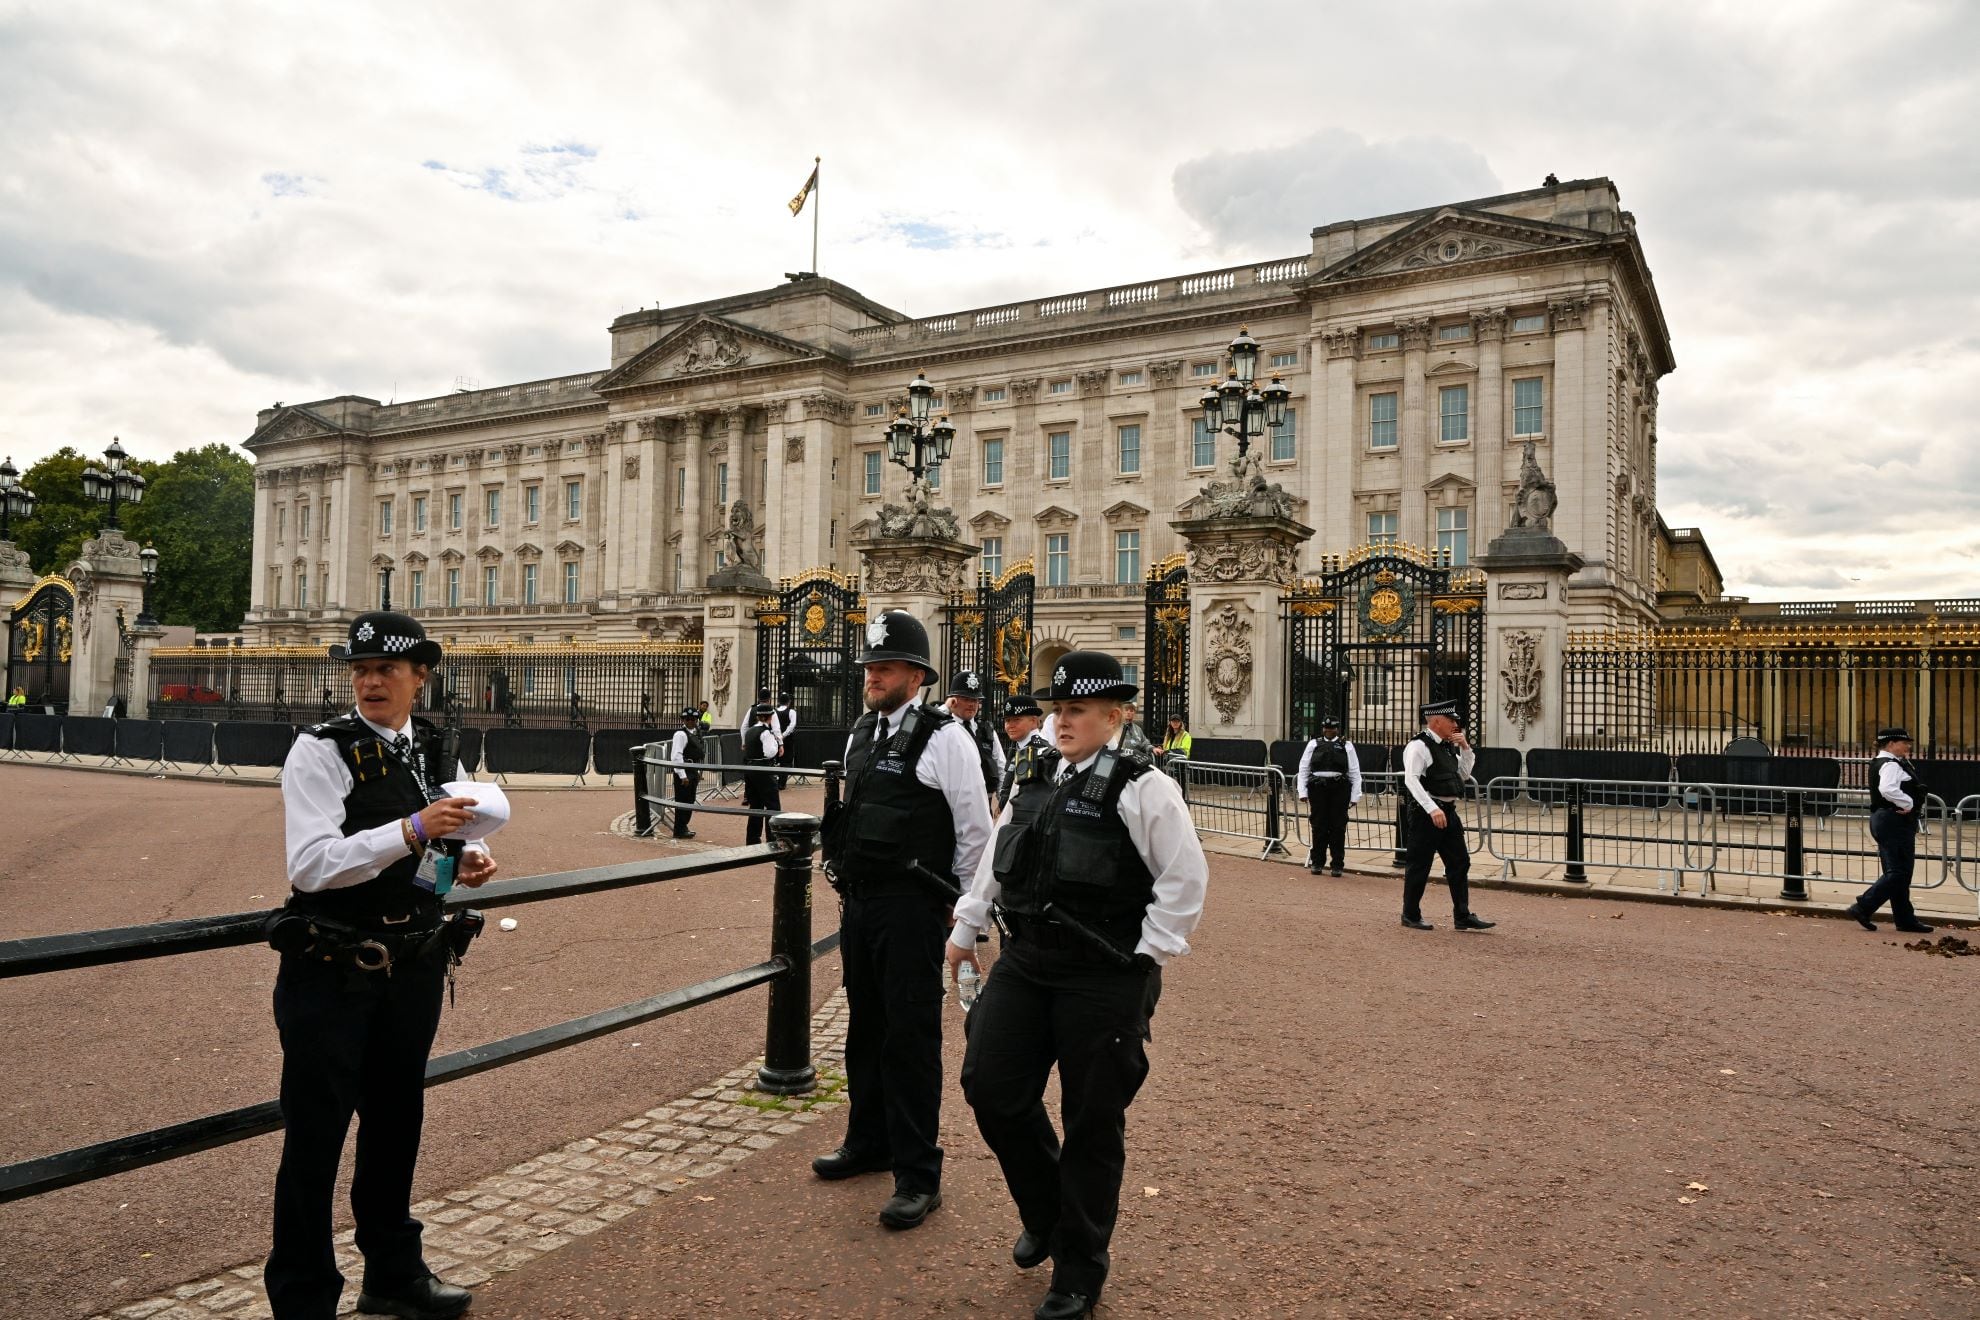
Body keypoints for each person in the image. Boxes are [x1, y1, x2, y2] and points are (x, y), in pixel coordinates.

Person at [949, 651, 1208, 1320]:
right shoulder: (1034, 771)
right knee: (990, 1084)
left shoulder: (1144, 786)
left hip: (1104, 974)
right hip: (1029, 961)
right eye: (1058, 709)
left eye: (1077, 711)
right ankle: (1050, 1215)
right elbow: (997, 858)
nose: (1061, 721)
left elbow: (1184, 880)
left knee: (1092, 1120)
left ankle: (1078, 1268)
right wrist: (967, 925)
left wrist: (1143, 958)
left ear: (1114, 717)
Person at [264, 611, 499, 1320]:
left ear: (418, 678)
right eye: (361, 670)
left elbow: (438, 849)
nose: (370, 682)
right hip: (333, 968)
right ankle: (304, 1301)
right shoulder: (320, 750)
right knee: (316, 1139)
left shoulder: (433, 747)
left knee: (397, 1124)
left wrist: (465, 858)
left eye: (386, 670)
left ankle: (393, 1273)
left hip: (415, 964)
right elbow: (310, 868)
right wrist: (410, 830)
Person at [815, 609, 992, 1231]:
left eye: (884, 668)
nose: (872, 676)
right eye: (869, 667)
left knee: (911, 1037)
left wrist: (967, 918)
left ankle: (919, 1172)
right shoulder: (861, 731)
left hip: (916, 906)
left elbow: (975, 833)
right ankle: (869, 1140)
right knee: (864, 1026)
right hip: (862, 903)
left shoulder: (946, 738)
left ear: (915, 676)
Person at [1399, 700, 1494, 932]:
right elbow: (1411, 779)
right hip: (1426, 814)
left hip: (1448, 812)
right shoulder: (1418, 746)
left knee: (1460, 862)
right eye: (1451, 720)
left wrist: (1466, 749)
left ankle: (1462, 915)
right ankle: (1410, 914)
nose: (1455, 724)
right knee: (1419, 864)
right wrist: (1432, 808)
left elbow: (1461, 775)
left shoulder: (1446, 746)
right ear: (1437, 721)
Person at [1850, 727, 1935, 934]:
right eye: (1904, 742)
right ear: (1890, 744)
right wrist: (1908, 804)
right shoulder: (1890, 765)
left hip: (1887, 820)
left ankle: (1905, 919)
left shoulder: (1888, 762)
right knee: (1899, 872)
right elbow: (1887, 789)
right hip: (1894, 820)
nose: (1908, 746)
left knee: (1899, 872)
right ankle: (1864, 906)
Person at [1297, 715, 1361, 876]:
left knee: (1338, 827)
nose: (1329, 731)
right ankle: (1317, 862)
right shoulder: (1313, 744)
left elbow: (1354, 771)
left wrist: (1355, 795)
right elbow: (1304, 768)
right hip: (1318, 788)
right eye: (1326, 728)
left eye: (1332, 728)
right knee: (1318, 826)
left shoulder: (1347, 746)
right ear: (1323, 729)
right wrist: (1302, 791)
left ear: (1337, 729)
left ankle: (1337, 864)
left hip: (1339, 788)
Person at [944, 668, 1006, 798]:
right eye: (966, 699)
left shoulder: (986, 730)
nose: (972, 704)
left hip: (984, 799)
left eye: (975, 700)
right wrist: (945, 707)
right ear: (953, 700)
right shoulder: (944, 728)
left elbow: (1000, 765)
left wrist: (1002, 798)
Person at [997, 695, 1054, 813]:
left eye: (1017, 720)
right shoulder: (1018, 746)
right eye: (1007, 720)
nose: (1010, 725)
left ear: (1033, 721)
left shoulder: (1039, 751)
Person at [743, 701, 782, 846]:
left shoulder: (750, 731)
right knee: (773, 804)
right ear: (769, 717)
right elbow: (769, 752)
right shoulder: (765, 732)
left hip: (750, 768)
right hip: (763, 769)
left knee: (755, 804)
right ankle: (772, 837)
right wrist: (777, 745)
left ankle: (752, 838)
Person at [667, 707, 704, 840]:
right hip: (685, 770)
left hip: (692, 768)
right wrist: (682, 775)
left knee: (689, 800)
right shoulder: (681, 734)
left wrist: (698, 771)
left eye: (693, 719)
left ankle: (684, 826)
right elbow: (676, 755)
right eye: (687, 719)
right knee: (682, 800)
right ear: (683, 720)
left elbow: (698, 754)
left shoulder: (695, 732)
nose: (690, 721)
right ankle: (679, 829)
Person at [774, 690, 798, 787]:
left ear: (779, 702)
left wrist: (778, 736)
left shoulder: (774, 711)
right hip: (787, 740)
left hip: (775, 739)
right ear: (789, 702)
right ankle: (782, 783)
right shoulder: (791, 712)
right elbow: (792, 725)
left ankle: (775, 781)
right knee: (786, 761)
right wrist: (783, 735)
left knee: (774, 760)